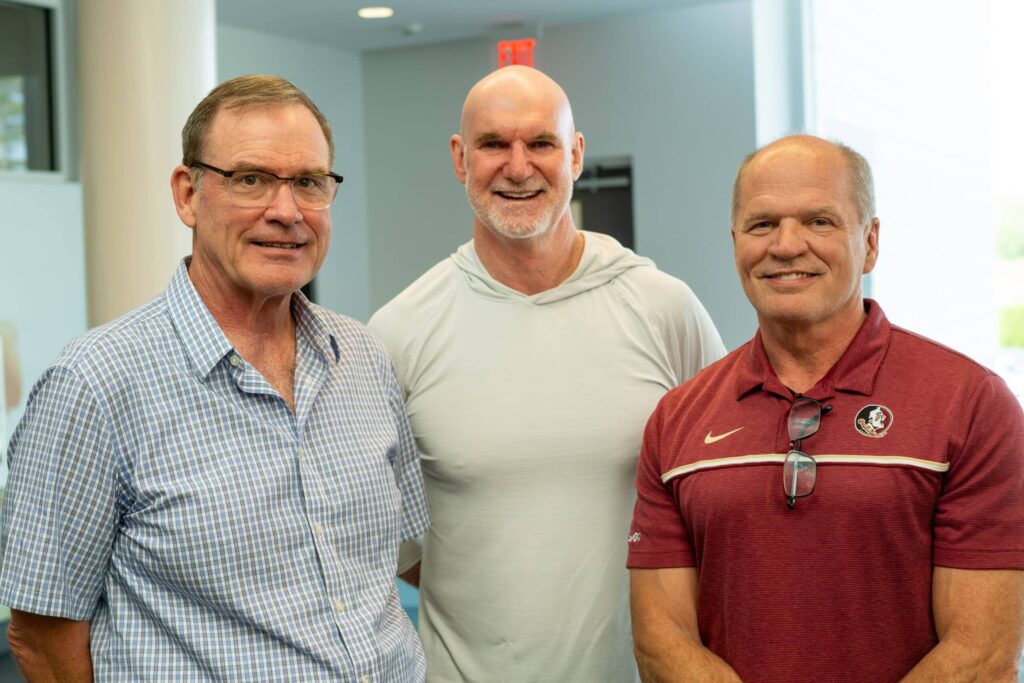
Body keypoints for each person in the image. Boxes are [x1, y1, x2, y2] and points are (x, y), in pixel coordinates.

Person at [0, 75, 429, 681]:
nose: (287, 212)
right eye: (251, 179)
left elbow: (403, 554)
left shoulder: (362, 357)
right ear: (188, 195)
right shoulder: (94, 385)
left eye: (309, 182)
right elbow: (41, 634)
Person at [368, 65, 725, 682]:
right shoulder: (400, 331)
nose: (518, 167)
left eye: (541, 143)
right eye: (492, 144)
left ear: (576, 154)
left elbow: (724, 499)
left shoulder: (664, 309)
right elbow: (383, 539)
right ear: (459, 158)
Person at [628, 134, 1024, 682]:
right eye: (762, 224)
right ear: (735, 242)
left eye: (819, 221)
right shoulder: (677, 419)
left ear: (870, 242)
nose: (786, 245)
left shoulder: (971, 402)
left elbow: (981, 653)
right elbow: (660, 641)